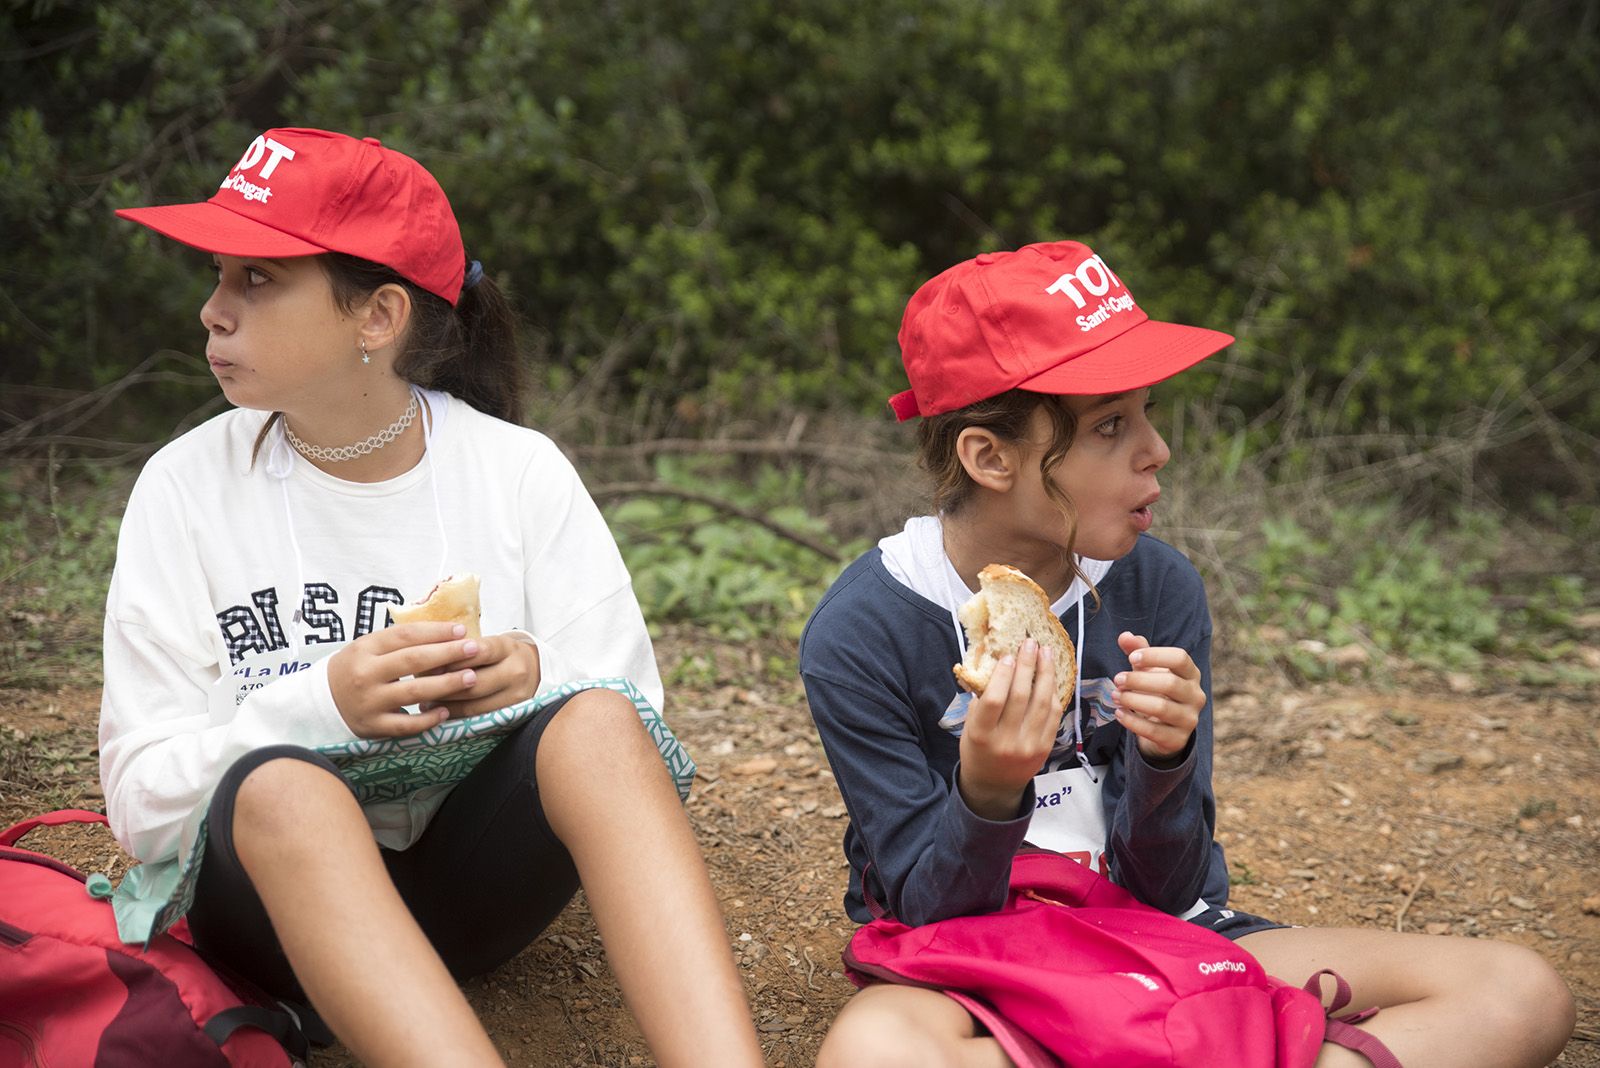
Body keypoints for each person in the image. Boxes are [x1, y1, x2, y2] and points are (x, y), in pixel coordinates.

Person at [798, 240, 1577, 1068]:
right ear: (990, 457)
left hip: (1167, 942)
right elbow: (928, 912)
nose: (1156, 448)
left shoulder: (1157, 586)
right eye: (1110, 426)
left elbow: (1172, 892)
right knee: (876, 1050)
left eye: (1147, 412)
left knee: (1519, 992)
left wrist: (1163, 761)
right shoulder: (863, 633)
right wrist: (988, 791)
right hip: (982, 967)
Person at [101, 127, 763, 1068]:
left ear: (377, 317)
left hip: (470, 897)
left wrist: (534, 675)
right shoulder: (185, 488)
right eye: (219, 277)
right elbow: (139, 804)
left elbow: (635, 733)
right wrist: (321, 705)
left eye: (257, 280)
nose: (214, 311)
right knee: (285, 787)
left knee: (596, 719)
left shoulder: (516, 472)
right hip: (268, 913)